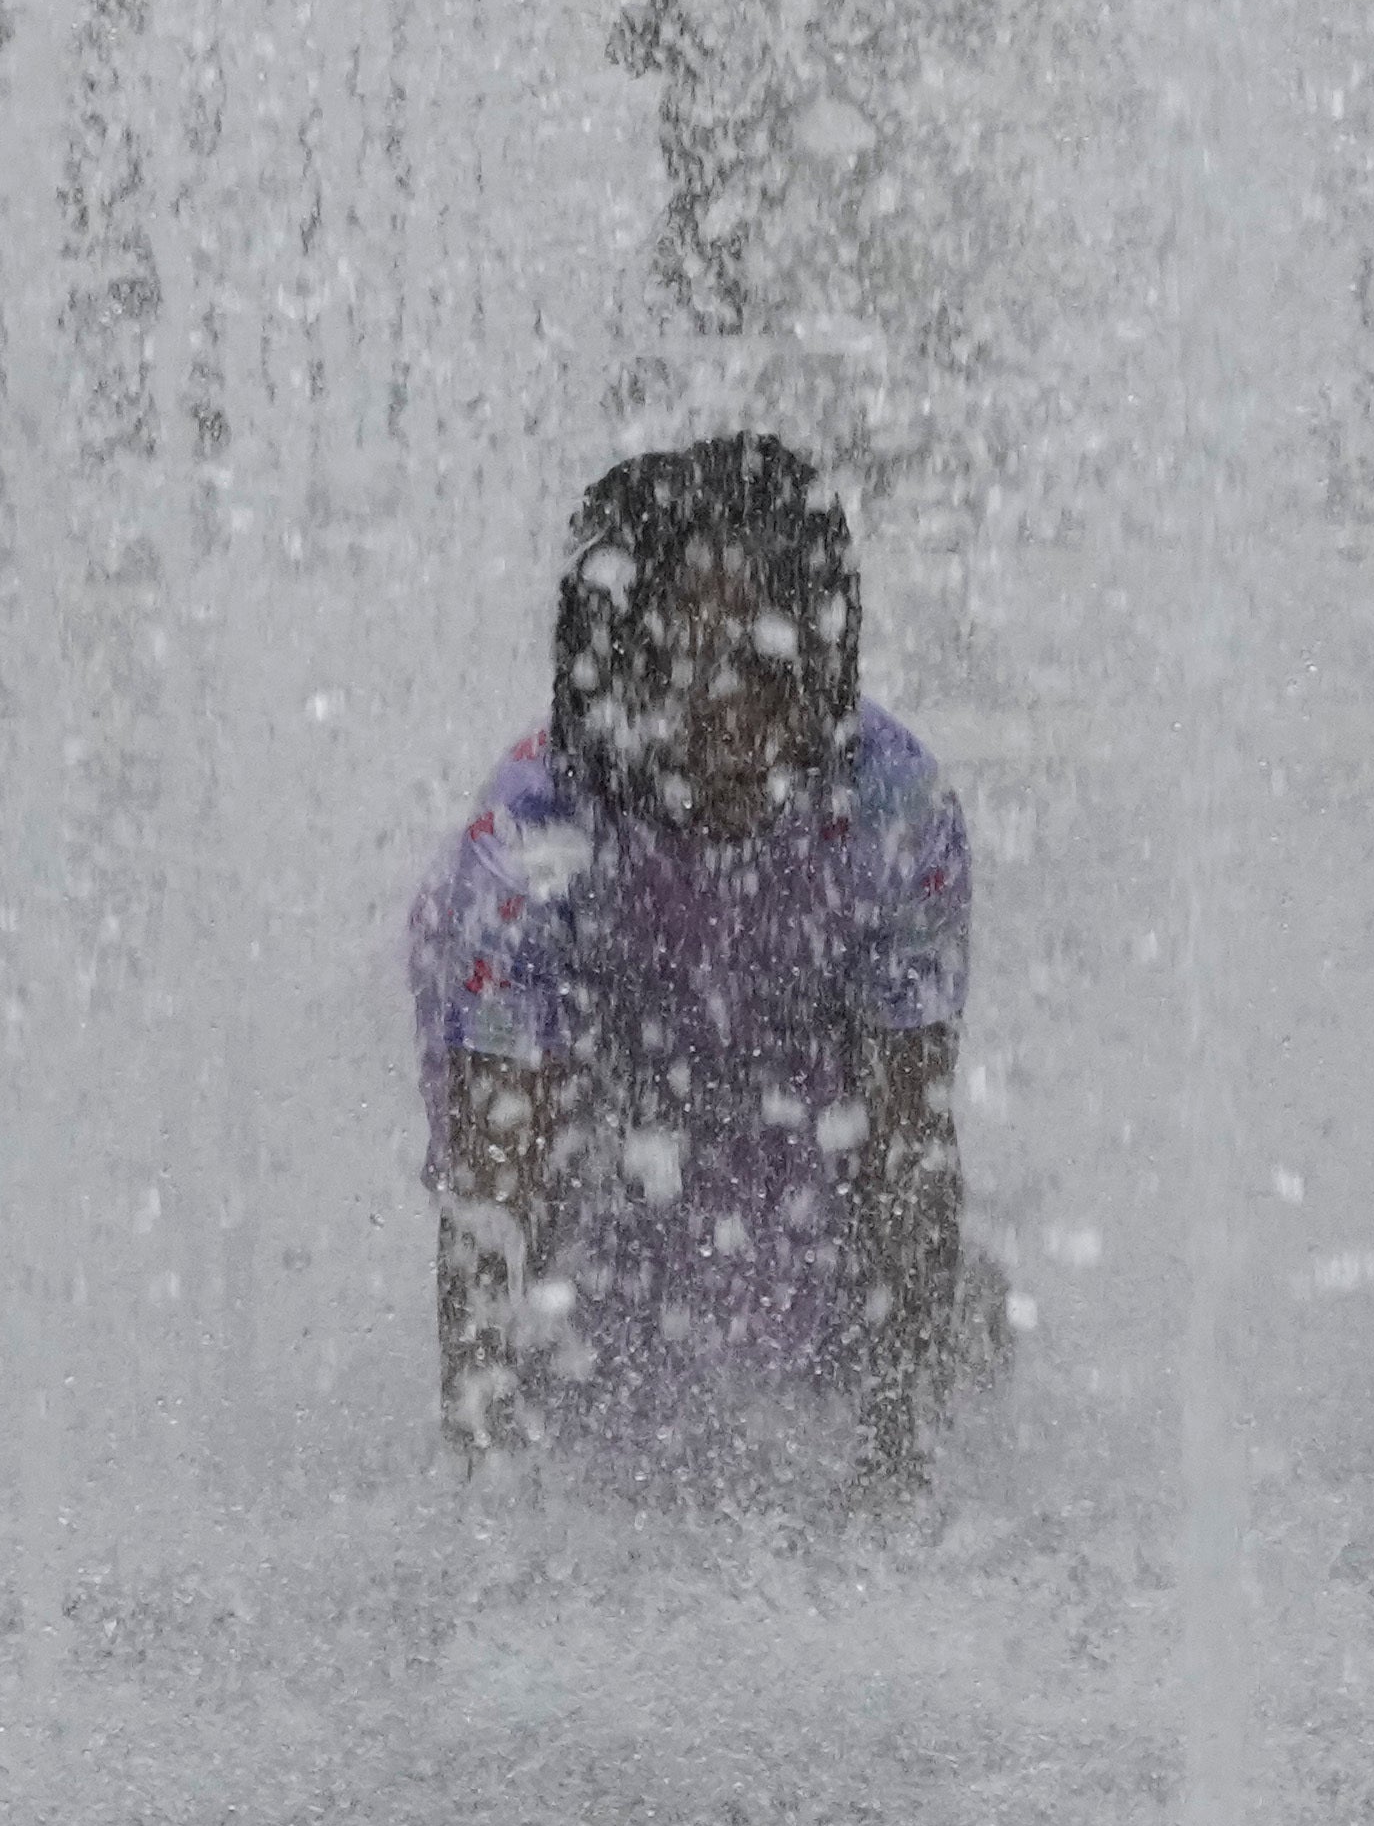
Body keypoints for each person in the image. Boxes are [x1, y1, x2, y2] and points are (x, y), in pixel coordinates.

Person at [404, 434, 986, 1499]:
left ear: (824, 664)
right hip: (585, 1040)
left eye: (762, 671)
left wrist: (901, 1469)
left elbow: (910, 1156)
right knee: (587, 1325)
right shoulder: (531, 839)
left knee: (884, 1296)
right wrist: (476, 1486)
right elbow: (494, 1197)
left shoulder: (891, 814)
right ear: (618, 663)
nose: (727, 717)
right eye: (684, 663)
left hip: (784, 1026)